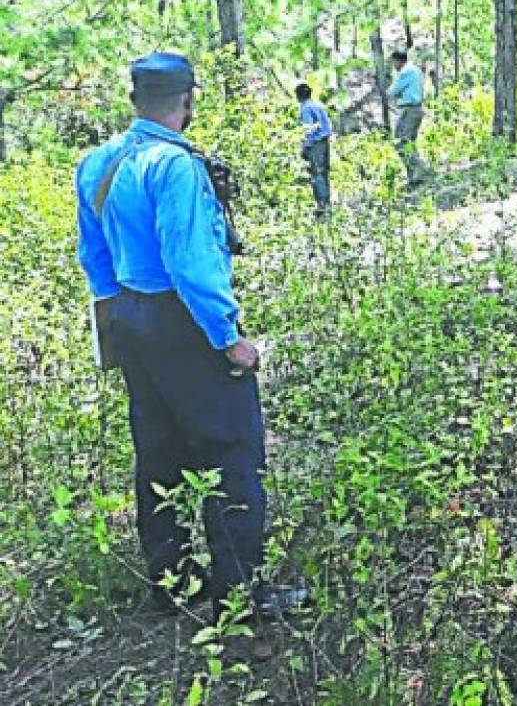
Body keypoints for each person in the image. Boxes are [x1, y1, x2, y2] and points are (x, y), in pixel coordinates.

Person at [75, 53, 299, 622]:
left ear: (134, 100)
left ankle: (173, 586)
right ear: (187, 100)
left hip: (130, 318)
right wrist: (229, 338)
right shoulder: (173, 166)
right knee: (231, 454)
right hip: (184, 322)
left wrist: (120, 316)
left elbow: (94, 257)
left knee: (159, 456)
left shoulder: (99, 163)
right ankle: (241, 598)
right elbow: (188, 261)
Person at [387, 50, 432, 186]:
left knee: (402, 141)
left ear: (398, 60)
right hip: (415, 108)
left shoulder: (406, 71)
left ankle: (420, 171)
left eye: (393, 62)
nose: (393, 65)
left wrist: (387, 90)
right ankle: (414, 175)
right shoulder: (415, 70)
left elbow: (393, 91)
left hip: (410, 109)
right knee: (407, 142)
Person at [295, 83, 332, 214]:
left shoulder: (305, 108)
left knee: (317, 173)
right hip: (325, 141)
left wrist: (305, 146)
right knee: (324, 173)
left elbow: (308, 128)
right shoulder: (318, 105)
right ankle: (327, 203)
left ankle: (322, 205)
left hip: (316, 143)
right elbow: (327, 125)